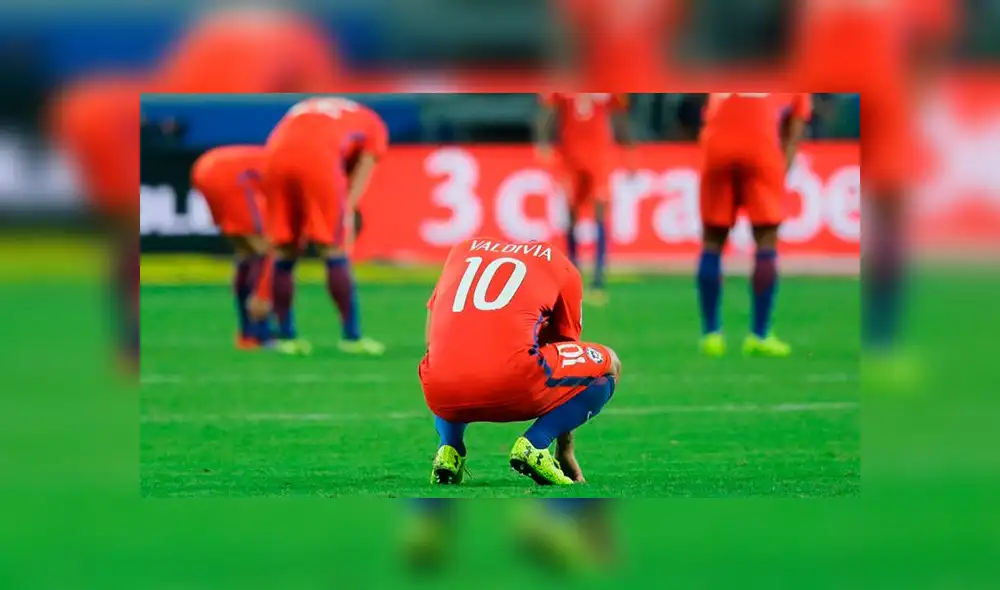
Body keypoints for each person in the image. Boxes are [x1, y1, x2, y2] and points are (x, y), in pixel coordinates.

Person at [420, 237, 622, 486]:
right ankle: (536, 444)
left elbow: (432, 339)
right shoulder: (563, 266)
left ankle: (448, 449)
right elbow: (567, 351)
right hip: (513, 384)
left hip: (439, 390)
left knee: (451, 354)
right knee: (610, 362)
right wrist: (565, 449)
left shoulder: (461, 250)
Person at [261, 96, 387, 356]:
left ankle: (286, 337)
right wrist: (347, 211)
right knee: (333, 250)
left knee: (285, 249)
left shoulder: (306, 105)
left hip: (273, 156)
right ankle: (352, 337)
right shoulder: (374, 124)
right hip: (318, 159)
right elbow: (363, 169)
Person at [696, 93, 812, 357]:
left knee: (712, 241)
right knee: (765, 240)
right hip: (761, 145)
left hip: (716, 146)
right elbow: (796, 119)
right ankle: (759, 335)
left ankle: (711, 335)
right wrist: (785, 164)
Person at [49, 72, 146, 373]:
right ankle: (132, 341)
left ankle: (131, 341)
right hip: (105, 121)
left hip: (96, 115)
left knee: (128, 239)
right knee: (130, 238)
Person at [536, 93, 634, 306]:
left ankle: (599, 278)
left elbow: (619, 116)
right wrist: (543, 141)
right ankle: (573, 272)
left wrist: (628, 150)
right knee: (572, 213)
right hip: (571, 157)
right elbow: (549, 112)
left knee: (600, 210)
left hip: (599, 157)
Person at [191, 145, 274, 349]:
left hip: (205, 166)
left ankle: (247, 333)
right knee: (266, 248)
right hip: (231, 175)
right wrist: (264, 294)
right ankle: (259, 331)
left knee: (246, 250)